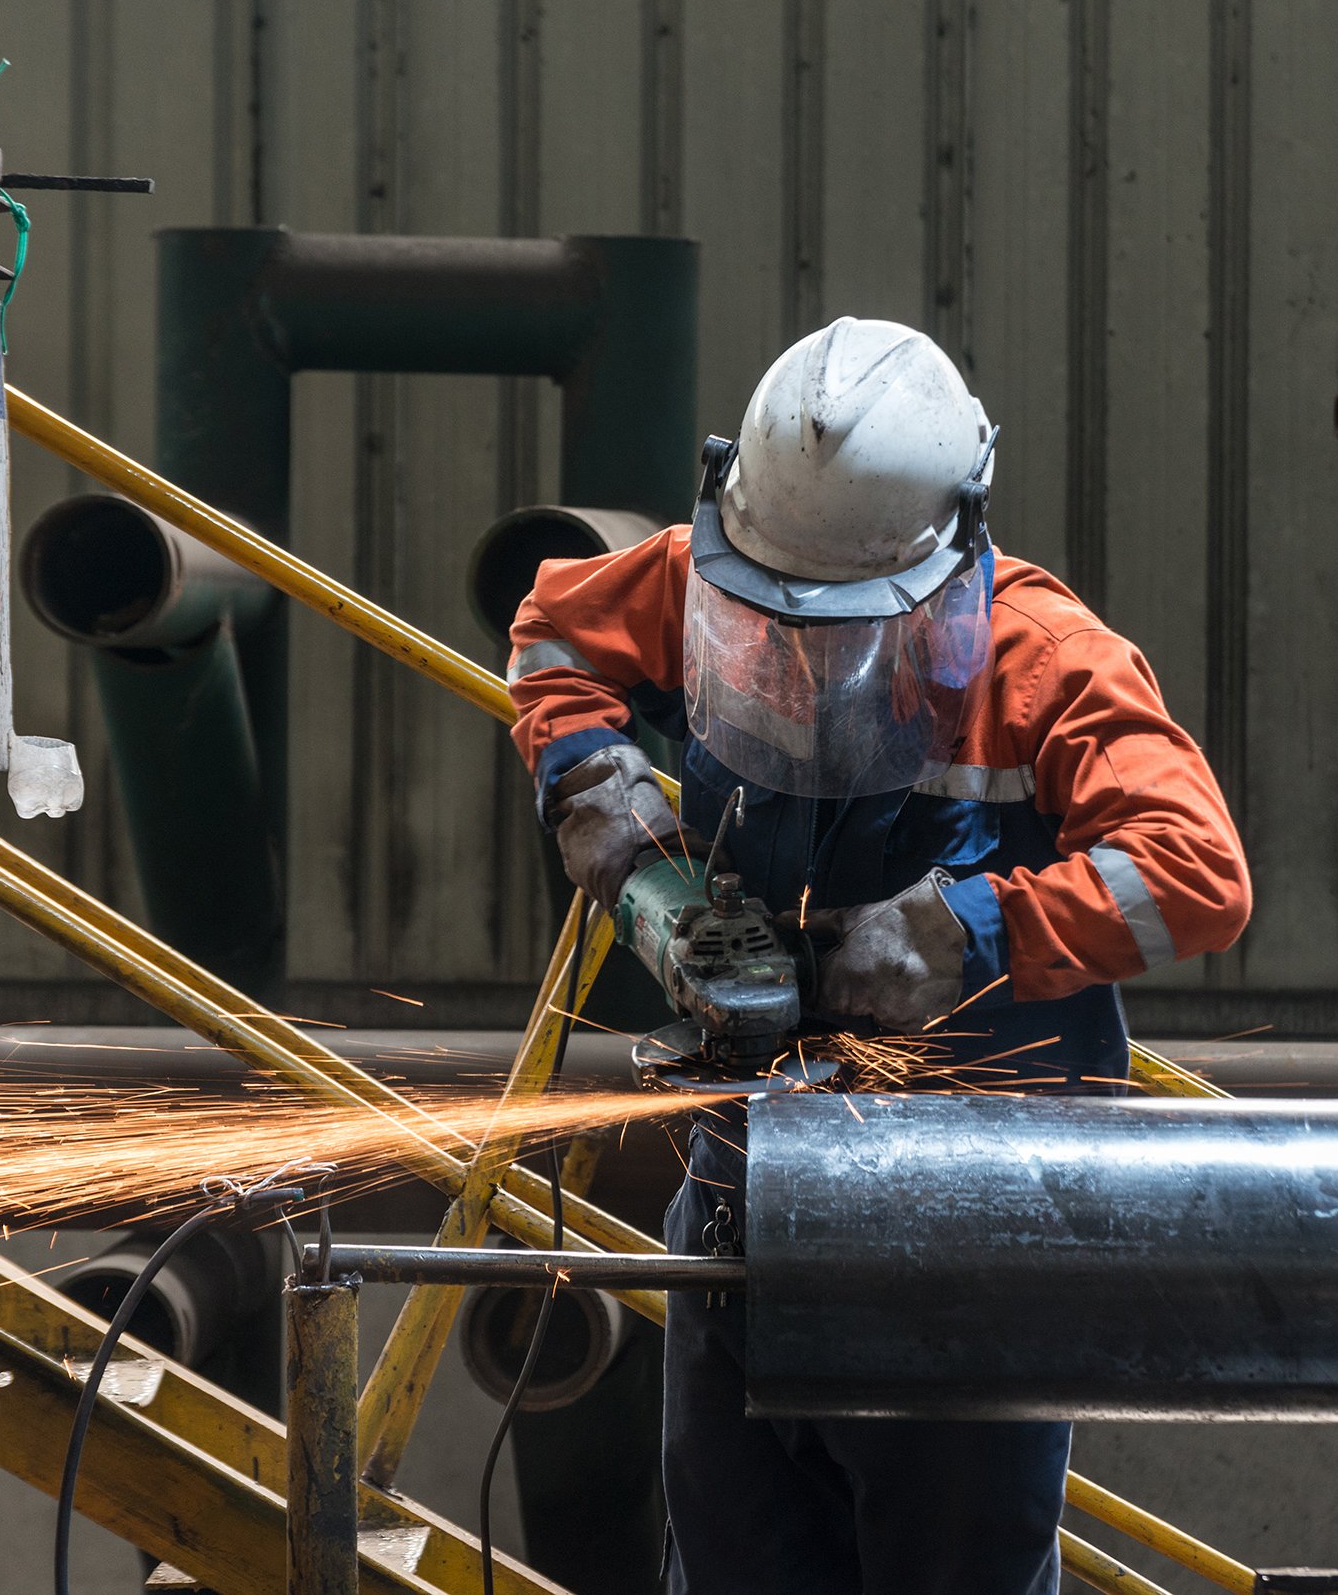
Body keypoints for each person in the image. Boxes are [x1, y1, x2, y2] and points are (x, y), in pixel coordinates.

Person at [505, 316, 1250, 1595]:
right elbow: (553, 634)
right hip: (741, 1204)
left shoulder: (1046, 660)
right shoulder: (701, 574)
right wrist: (627, 835)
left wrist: (972, 929)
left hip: (969, 1250)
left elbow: (1198, 874)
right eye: (777, 623)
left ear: (949, 543)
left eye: (844, 629)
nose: (807, 663)